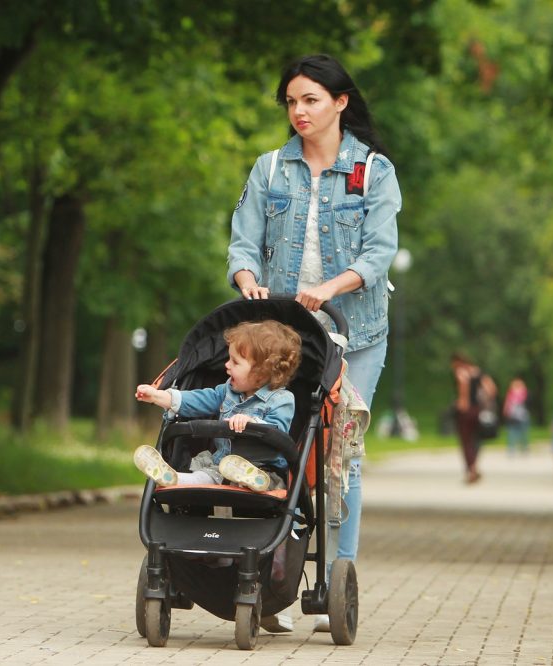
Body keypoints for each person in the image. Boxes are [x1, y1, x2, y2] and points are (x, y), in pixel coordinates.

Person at [227, 54, 401, 633]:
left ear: (341, 102)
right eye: (291, 101)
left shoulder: (373, 171)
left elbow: (377, 254)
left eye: (311, 100)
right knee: (274, 443)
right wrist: (247, 281)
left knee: (339, 453)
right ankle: (270, 579)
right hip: (282, 334)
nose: (299, 111)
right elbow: (243, 242)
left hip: (356, 335)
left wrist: (328, 289)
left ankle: (335, 582)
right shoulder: (270, 170)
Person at [133, 320, 301, 494]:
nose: (227, 365)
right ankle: (172, 477)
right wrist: (161, 396)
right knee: (205, 474)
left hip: (264, 469)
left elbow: (279, 431)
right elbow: (200, 399)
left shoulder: (282, 399)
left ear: (261, 372)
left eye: (235, 362)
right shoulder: (227, 391)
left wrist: (252, 422)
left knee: (259, 479)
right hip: (223, 466)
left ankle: (250, 480)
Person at [450, 353, 496, 484]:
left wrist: (463, 401)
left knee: (466, 441)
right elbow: (491, 389)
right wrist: (484, 403)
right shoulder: (478, 372)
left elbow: (463, 386)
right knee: (476, 440)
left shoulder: (461, 372)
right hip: (478, 410)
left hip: (466, 410)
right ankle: (475, 466)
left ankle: (471, 470)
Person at [502, 376, 530, 456]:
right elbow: (507, 403)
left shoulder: (523, 393)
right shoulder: (512, 393)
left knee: (521, 433)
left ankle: (522, 448)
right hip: (515, 415)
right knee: (513, 432)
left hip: (521, 415)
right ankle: (514, 448)